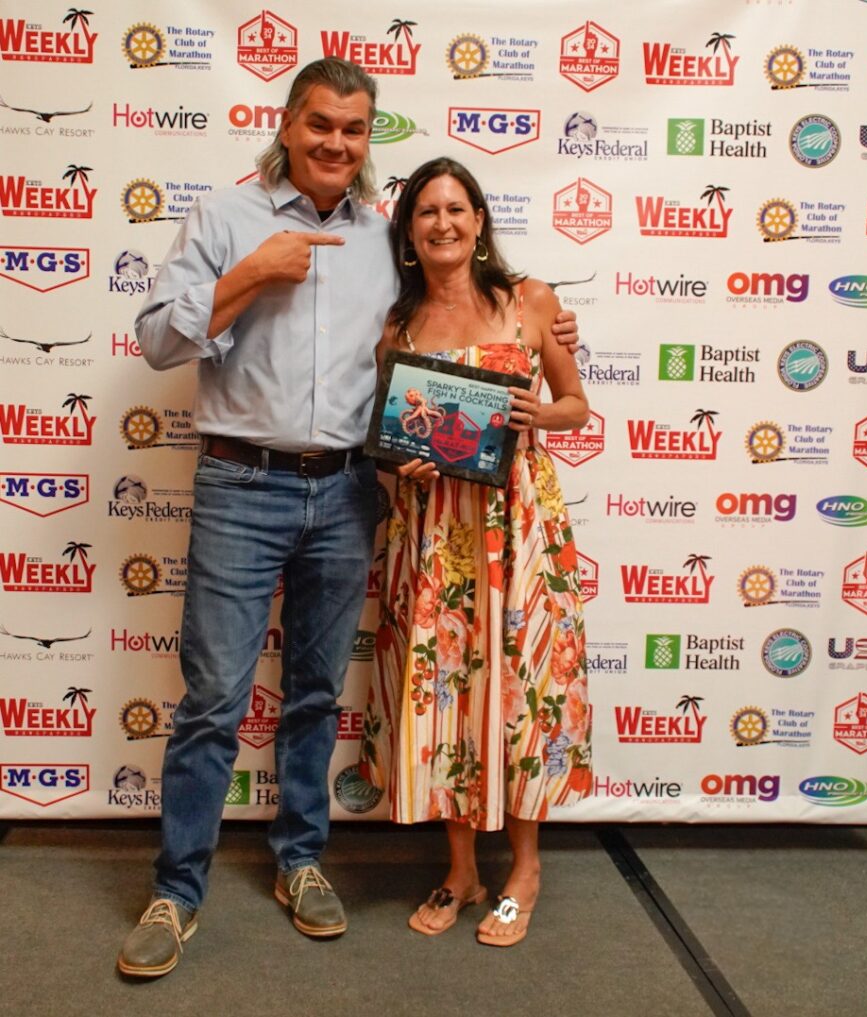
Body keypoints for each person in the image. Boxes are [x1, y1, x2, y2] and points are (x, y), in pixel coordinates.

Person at [117, 59, 580, 978]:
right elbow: (159, 339)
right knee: (213, 698)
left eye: (355, 129)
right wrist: (251, 274)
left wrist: (552, 339)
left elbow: (453, 335)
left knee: (318, 694)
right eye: (320, 124)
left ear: (370, 141)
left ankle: (299, 860)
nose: (336, 142)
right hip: (241, 484)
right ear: (289, 125)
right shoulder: (225, 218)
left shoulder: (388, 240)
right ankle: (177, 889)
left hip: (349, 491)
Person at [359, 157, 593, 948]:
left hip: (519, 527)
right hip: (434, 536)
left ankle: (524, 867)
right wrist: (402, 461)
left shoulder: (530, 303)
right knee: (448, 693)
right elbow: (390, 438)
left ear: (480, 220)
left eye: (457, 208)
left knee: (524, 692)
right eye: (426, 212)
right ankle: (463, 869)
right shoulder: (399, 325)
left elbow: (577, 406)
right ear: (409, 233)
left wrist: (538, 412)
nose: (443, 224)